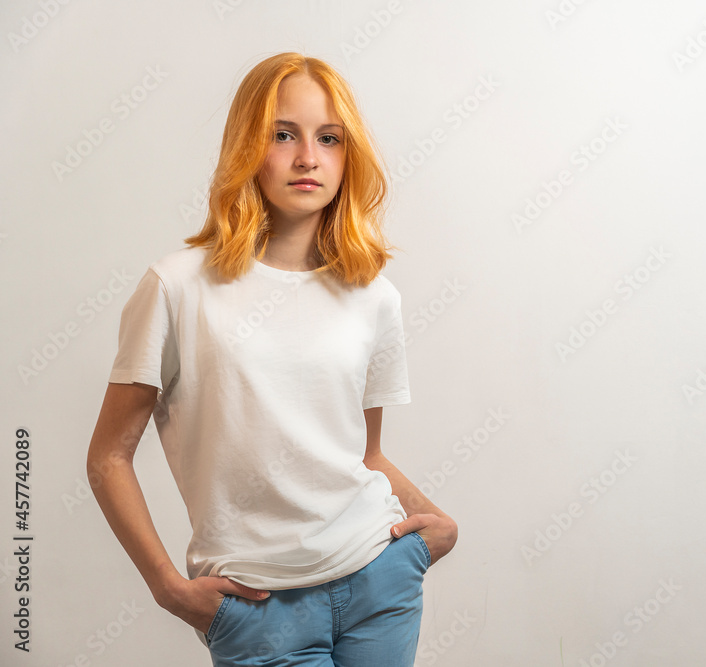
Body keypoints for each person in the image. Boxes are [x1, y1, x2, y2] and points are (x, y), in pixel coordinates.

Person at [86, 52, 458, 666]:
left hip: (378, 580)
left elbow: (362, 455)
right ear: (246, 148)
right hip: (259, 609)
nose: (308, 157)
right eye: (283, 135)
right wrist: (168, 588)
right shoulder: (178, 287)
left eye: (328, 138)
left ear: (348, 156)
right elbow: (108, 455)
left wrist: (434, 524)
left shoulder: (373, 297)